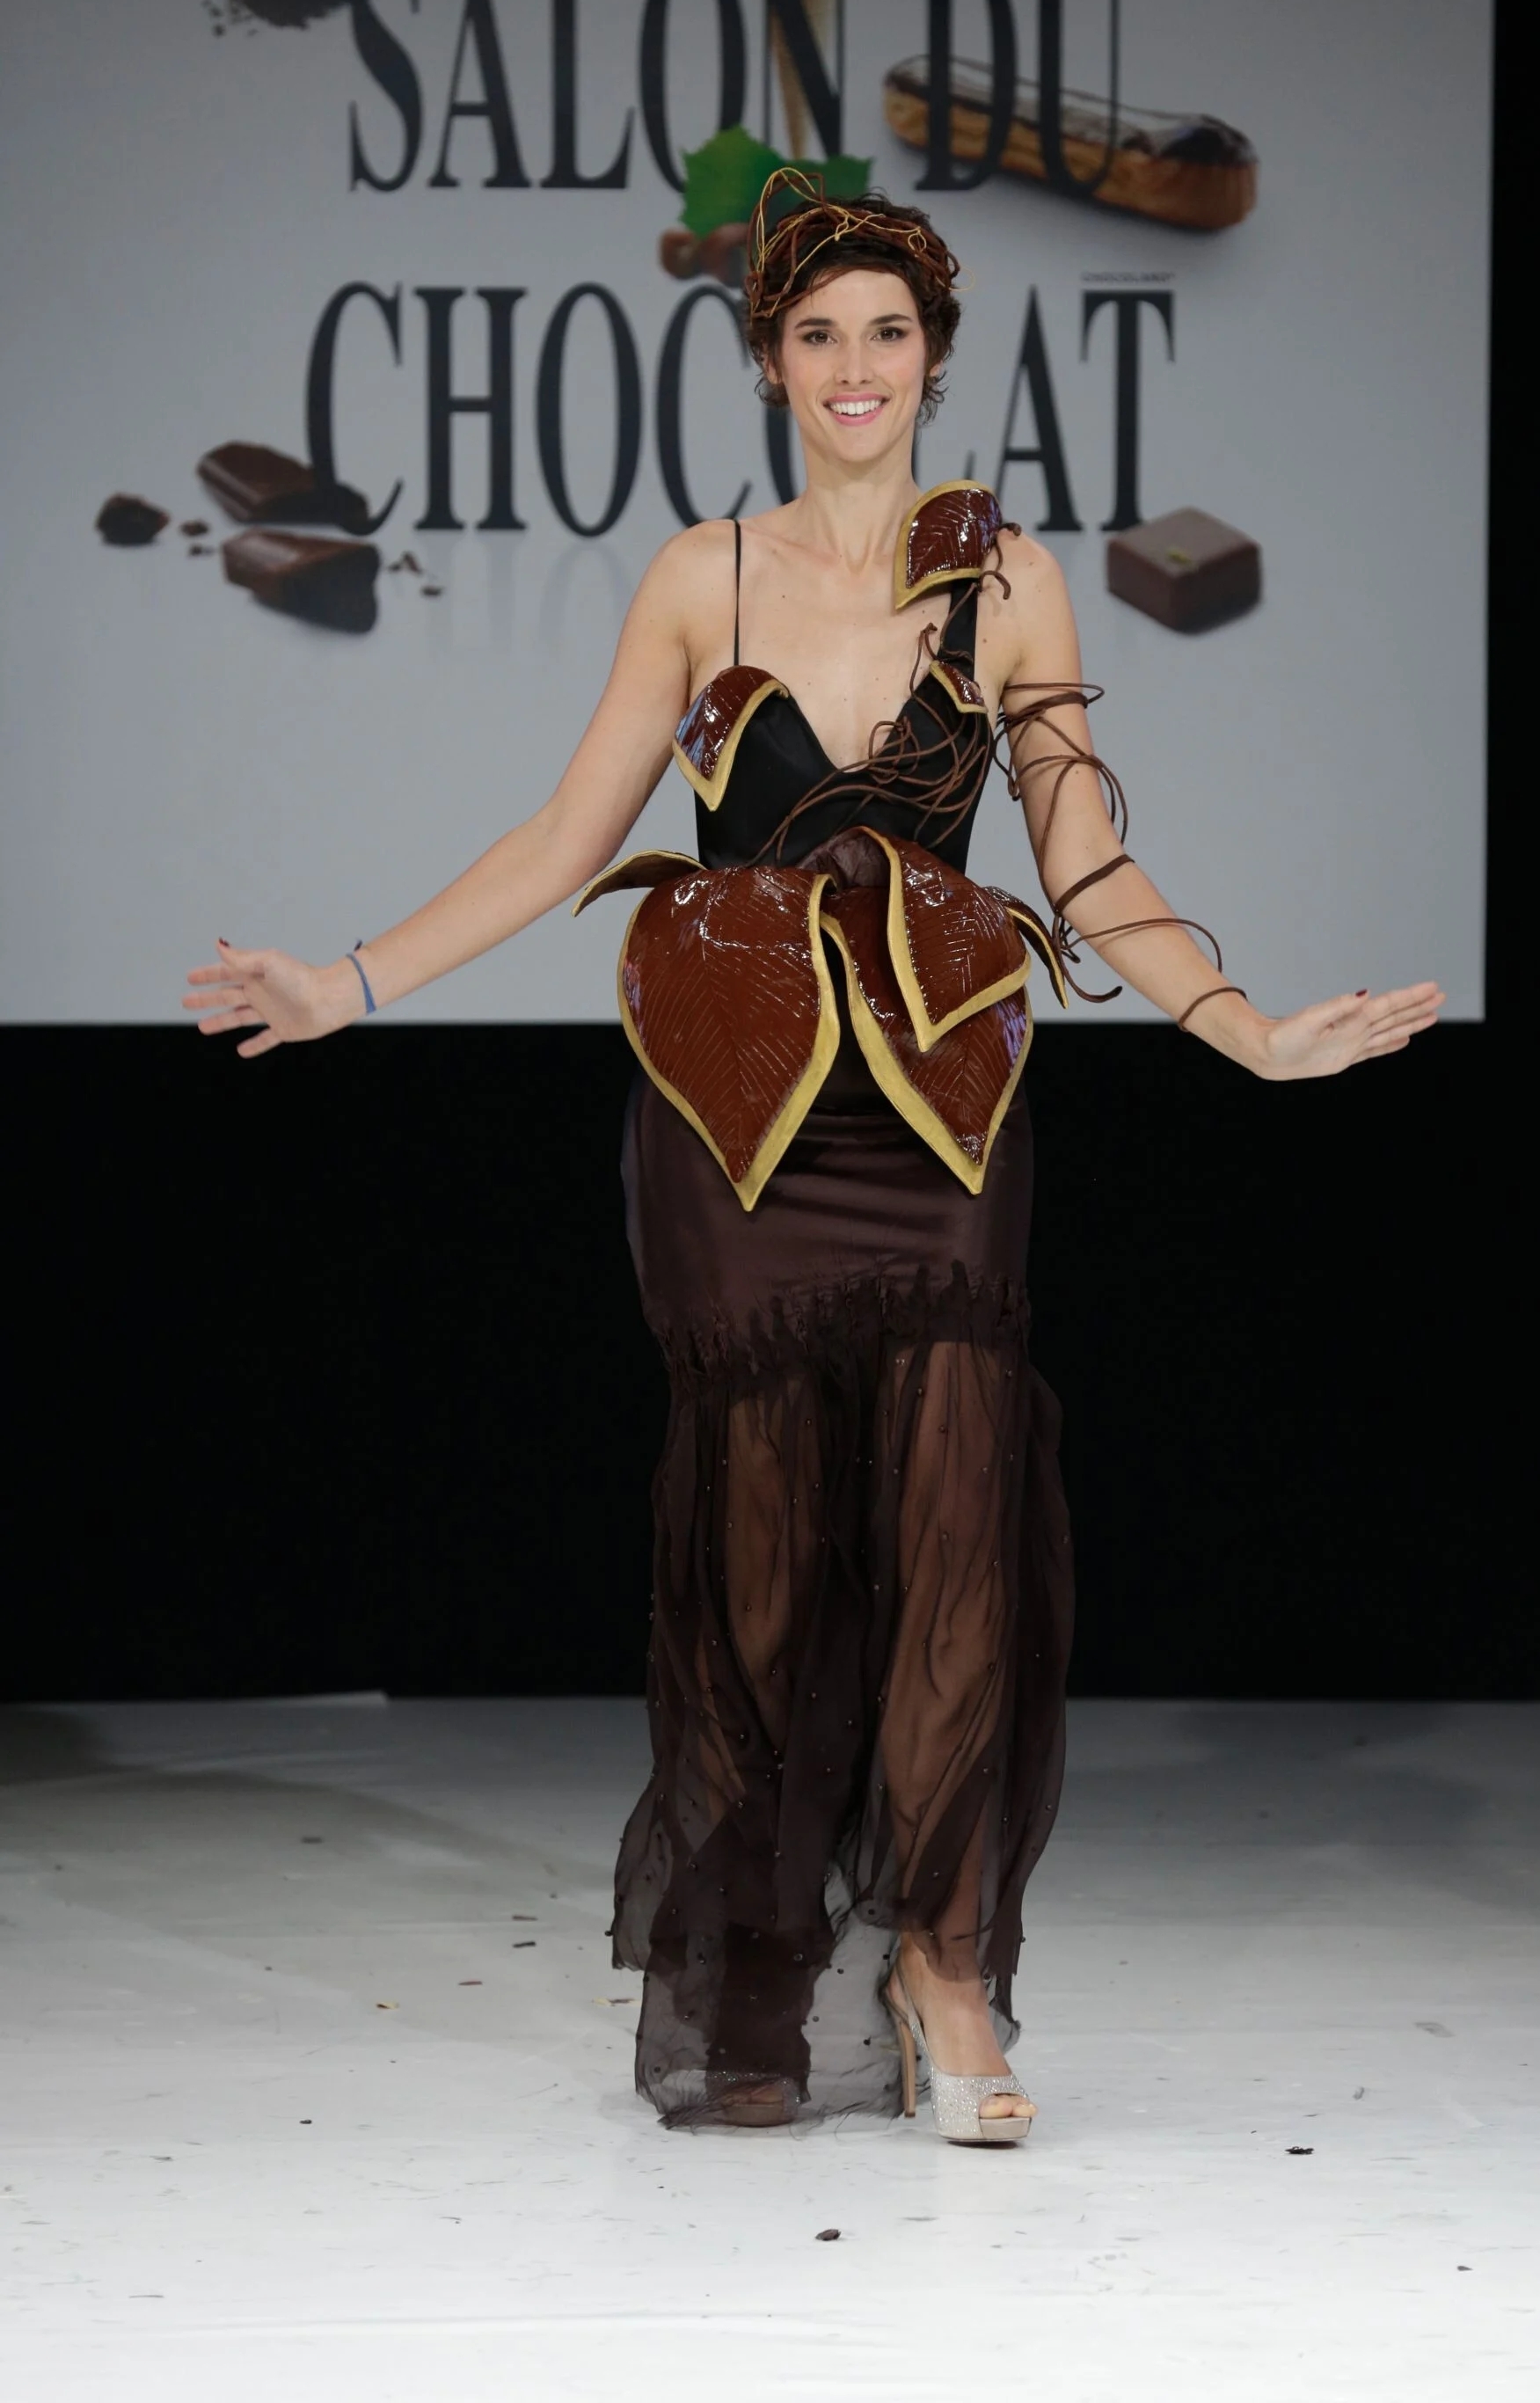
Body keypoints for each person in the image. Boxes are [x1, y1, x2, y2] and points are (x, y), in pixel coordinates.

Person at [183, 170, 1442, 2142]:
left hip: (941, 1102)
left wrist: (1246, 1027)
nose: (855, 365)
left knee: (953, 1524)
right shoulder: (705, 575)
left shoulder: (1009, 580)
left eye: (887, 333)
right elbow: (563, 836)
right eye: (818, 334)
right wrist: (349, 983)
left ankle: (945, 1968)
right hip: (735, 1103)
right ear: (769, 362)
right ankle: (760, 1965)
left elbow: (1086, 862)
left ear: (934, 360)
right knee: (760, 1557)